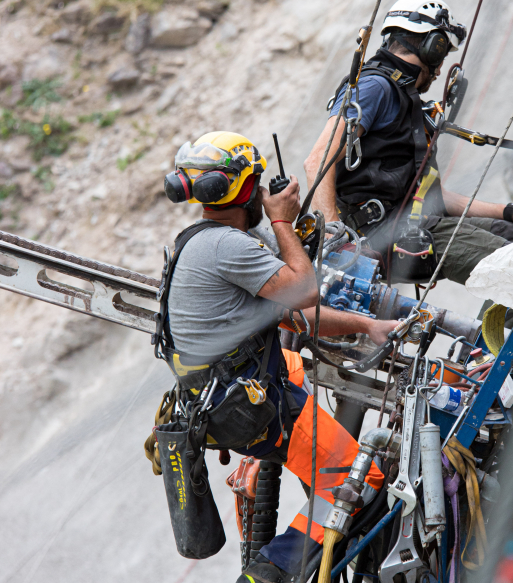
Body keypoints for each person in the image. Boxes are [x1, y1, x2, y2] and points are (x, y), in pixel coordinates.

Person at [158, 132, 398, 583]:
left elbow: (295, 316)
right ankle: (269, 573)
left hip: (218, 397)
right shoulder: (229, 247)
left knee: (291, 365)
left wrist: (366, 326)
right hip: (248, 409)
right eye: (259, 184)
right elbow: (305, 291)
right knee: (361, 483)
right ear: (246, 190)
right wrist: (283, 222)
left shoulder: (196, 241)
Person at [305, 0, 513, 284]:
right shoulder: (375, 87)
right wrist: (337, 239)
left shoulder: (403, 97)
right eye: (442, 53)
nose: (438, 70)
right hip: (383, 236)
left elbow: (434, 196)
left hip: (417, 223)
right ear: (431, 46)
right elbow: (317, 160)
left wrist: (509, 211)